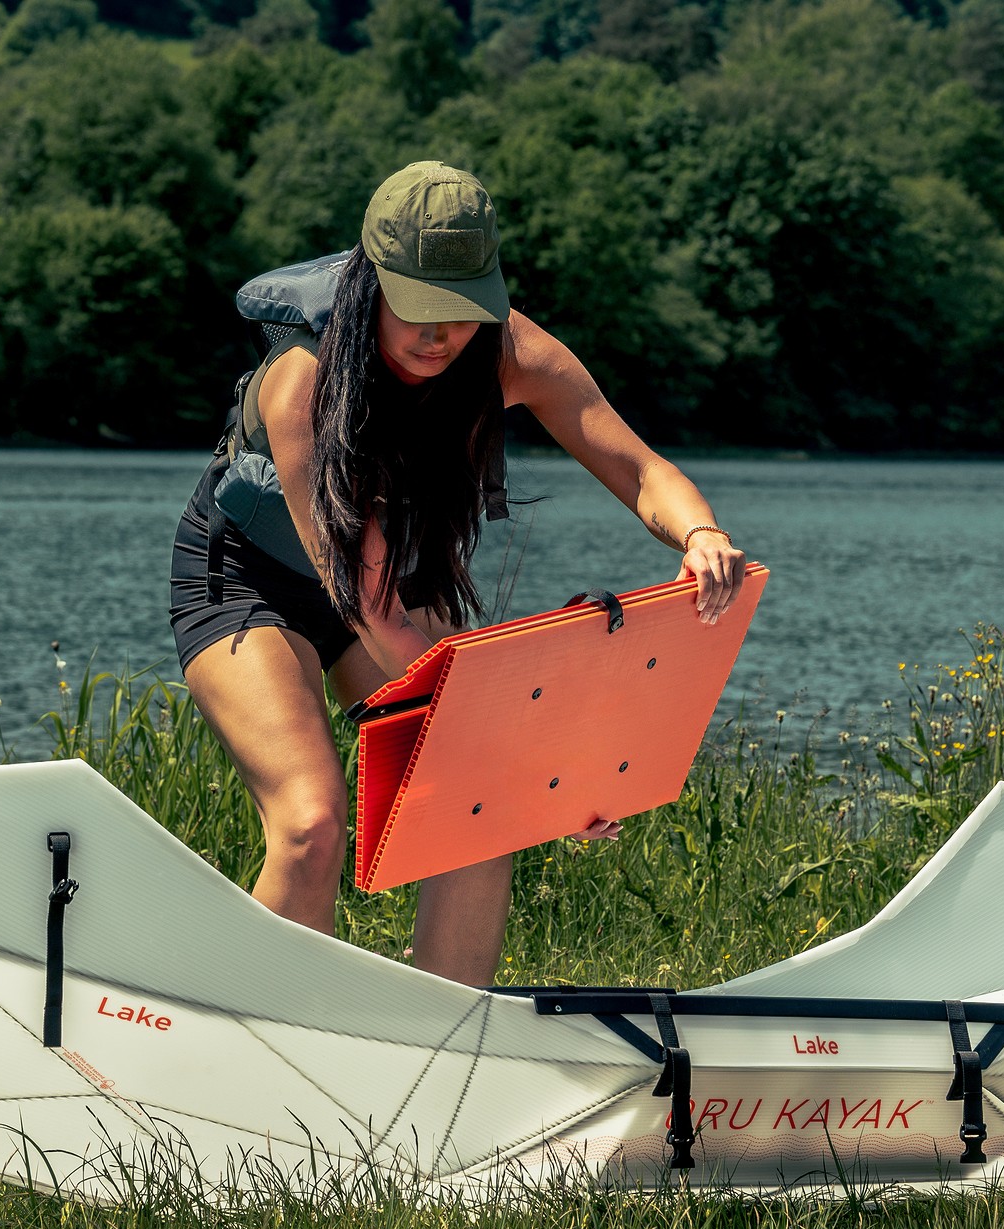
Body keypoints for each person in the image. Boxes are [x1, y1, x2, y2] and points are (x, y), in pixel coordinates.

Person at [169, 161, 748, 985]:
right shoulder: (302, 384)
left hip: (391, 584)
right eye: (416, 305)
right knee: (310, 824)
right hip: (254, 584)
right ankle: (256, 1021)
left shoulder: (512, 352)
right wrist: (536, 767)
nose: (438, 336)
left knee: (479, 807)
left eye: (461, 310)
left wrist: (700, 533)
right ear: (369, 280)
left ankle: (446, 1032)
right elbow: (369, 605)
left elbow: (641, 469)